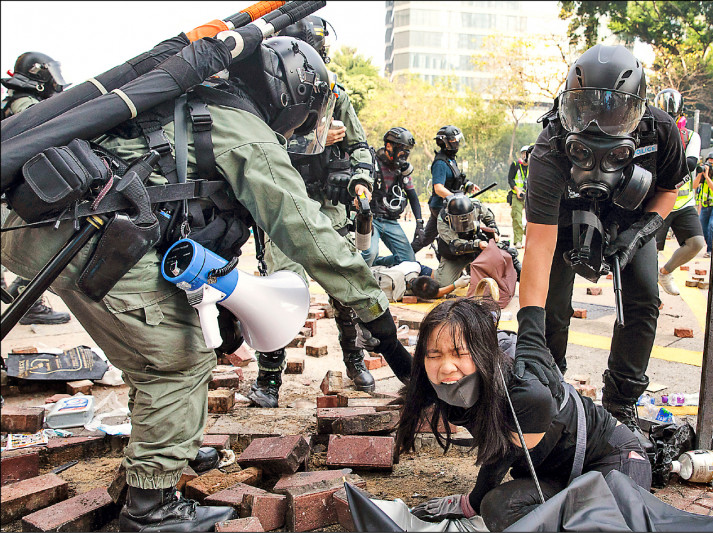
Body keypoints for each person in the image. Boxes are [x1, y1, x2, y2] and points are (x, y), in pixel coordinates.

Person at [2, 37, 410, 532]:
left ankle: (165, 452)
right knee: (178, 360)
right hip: (85, 239)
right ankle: (151, 510)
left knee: (150, 354)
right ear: (290, 96)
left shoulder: (182, 99)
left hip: (37, 224)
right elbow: (307, 231)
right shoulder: (242, 128)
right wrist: (378, 320)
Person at [520, 44, 686, 447]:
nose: (596, 122)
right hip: (564, 218)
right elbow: (539, 246)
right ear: (565, 104)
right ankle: (549, 386)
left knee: (643, 299)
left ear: (639, 112)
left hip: (632, 217)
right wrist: (528, 331)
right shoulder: (549, 148)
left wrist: (640, 234)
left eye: (613, 111)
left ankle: (621, 402)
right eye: (584, 109)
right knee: (552, 307)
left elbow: (667, 192)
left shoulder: (660, 130)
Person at [396, 298, 652, 531]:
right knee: (498, 508)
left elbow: (500, 456)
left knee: (609, 526)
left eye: (459, 353)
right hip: (554, 477)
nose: (446, 367)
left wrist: (469, 504)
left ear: (483, 351)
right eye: (434, 355)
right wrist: (385, 338)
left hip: (613, 462)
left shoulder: (524, 392)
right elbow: (411, 379)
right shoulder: (448, 382)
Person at [247, 15, 384, 408]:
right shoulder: (265, 95)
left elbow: (361, 148)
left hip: (329, 208)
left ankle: (356, 361)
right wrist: (312, 138)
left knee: (346, 288)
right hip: (281, 205)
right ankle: (269, 379)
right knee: (281, 291)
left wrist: (360, 181)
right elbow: (256, 148)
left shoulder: (336, 94)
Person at [1, 52, 71, 325]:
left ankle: (27, 302)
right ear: (38, 74)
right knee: (38, 250)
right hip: (9, 195)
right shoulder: (25, 104)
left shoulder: (18, 101)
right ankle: (29, 305)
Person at [652, 89, 705, 295]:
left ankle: (664, 273)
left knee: (696, 243)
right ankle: (649, 295)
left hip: (683, 203)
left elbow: (691, 163)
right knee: (650, 251)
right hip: (657, 200)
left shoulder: (691, 136)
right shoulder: (651, 133)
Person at [362, 127, 424, 267]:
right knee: (370, 253)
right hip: (371, 218)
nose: (405, 153)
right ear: (389, 146)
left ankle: (378, 263)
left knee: (409, 261)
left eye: (408, 150)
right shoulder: (372, 164)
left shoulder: (402, 170)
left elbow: (413, 196)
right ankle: (355, 279)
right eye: (402, 148)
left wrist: (419, 223)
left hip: (390, 220)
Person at [411, 125, 475, 252]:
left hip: (446, 206)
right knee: (457, 237)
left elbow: (455, 179)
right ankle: (403, 257)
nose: (456, 143)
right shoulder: (440, 163)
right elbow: (438, 188)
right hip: (441, 207)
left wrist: (468, 185)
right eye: (453, 140)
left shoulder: (450, 160)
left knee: (426, 238)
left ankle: (405, 255)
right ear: (445, 142)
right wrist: (455, 199)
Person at [435, 193, 520, 286]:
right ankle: (456, 272)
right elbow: (456, 244)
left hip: (477, 244)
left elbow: (489, 218)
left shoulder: (476, 205)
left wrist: (494, 231)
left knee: (506, 252)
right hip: (455, 254)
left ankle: (520, 275)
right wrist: (478, 245)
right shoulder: (443, 219)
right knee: (443, 285)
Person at [694, 152, 713, 258]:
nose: (711, 166)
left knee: (711, 226)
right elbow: (694, 186)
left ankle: (711, 250)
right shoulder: (703, 175)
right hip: (704, 206)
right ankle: (710, 247)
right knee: (703, 228)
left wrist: (707, 176)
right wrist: (700, 174)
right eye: (709, 163)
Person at [507, 145, 529, 247]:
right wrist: (517, 190)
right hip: (517, 196)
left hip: (529, 196)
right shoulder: (515, 165)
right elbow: (510, 179)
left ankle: (529, 238)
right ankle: (518, 241)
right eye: (524, 153)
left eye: (527, 153)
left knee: (533, 219)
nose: (525, 155)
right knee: (517, 218)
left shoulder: (534, 166)